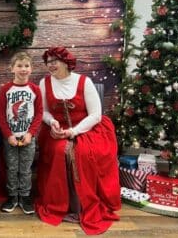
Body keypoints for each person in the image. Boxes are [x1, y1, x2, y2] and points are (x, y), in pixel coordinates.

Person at [35, 47, 121, 235]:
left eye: (54, 61)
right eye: (48, 62)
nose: (51, 65)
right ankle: (61, 204)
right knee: (59, 151)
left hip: (86, 128)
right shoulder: (45, 82)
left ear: (66, 62)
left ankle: (81, 205)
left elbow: (96, 115)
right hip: (57, 130)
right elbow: (44, 111)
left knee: (82, 153)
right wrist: (53, 122)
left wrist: (73, 131)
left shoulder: (84, 82)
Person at [0, 52, 42, 215]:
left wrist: (31, 133)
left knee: (26, 168)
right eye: (19, 65)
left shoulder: (35, 90)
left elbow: (39, 114)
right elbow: (1, 115)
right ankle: (12, 196)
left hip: (28, 137)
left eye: (26, 66)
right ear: (12, 68)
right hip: (11, 137)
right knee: (12, 168)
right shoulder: (6, 90)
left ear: (31, 69)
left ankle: (25, 196)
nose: (23, 69)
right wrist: (8, 135)